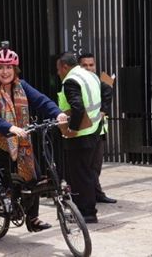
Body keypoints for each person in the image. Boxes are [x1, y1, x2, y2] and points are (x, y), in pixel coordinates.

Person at [0, 46, 68, 249]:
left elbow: (42, 101)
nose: (5, 71)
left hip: (17, 145)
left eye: (9, 67)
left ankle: (33, 218)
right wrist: (10, 127)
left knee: (33, 177)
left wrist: (58, 113)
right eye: (1, 67)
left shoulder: (22, 86)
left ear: (15, 69)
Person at [55, 52, 113, 224]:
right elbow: (104, 94)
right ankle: (86, 210)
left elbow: (78, 107)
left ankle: (87, 213)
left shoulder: (71, 81)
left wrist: (71, 129)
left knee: (81, 177)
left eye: (58, 69)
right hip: (94, 131)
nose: (58, 73)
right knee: (86, 174)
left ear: (65, 67)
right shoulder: (91, 76)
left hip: (80, 136)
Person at [78, 53, 117, 204]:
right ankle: (92, 194)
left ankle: (96, 192)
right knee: (87, 166)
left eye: (91, 65)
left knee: (96, 165)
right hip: (84, 131)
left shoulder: (101, 80)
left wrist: (108, 86)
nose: (89, 68)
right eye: (84, 65)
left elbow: (107, 99)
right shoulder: (77, 82)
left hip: (99, 130)